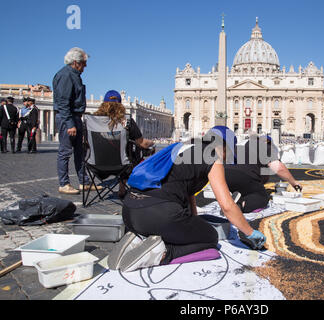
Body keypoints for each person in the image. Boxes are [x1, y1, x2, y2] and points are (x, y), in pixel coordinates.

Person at [108, 126, 267, 272]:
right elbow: (227, 205)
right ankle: (162, 253)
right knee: (210, 237)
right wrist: (250, 232)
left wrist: (193, 222)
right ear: (224, 147)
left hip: (129, 211)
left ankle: (136, 238)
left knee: (195, 229)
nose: (226, 159)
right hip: (157, 213)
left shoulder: (183, 147)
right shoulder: (212, 155)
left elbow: (188, 191)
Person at [93, 90, 154, 198]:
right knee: (131, 152)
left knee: (123, 152)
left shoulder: (92, 121)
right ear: (120, 105)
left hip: (96, 164)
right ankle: (124, 187)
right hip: (122, 165)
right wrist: (151, 143)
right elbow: (142, 143)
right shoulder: (127, 122)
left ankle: (122, 187)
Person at [224, 134, 302, 213]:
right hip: (243, 175)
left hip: (226, 174)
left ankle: (230, 201)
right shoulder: (265, 147)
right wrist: (294, 183)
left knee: (246, 191)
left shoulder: (245, 147)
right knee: (262, 197)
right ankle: (239, 205)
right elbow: (279, 168)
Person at [53, 47, 92, 194]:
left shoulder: (74, 75)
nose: (85, 66)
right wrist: (70, 124)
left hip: (75, 117)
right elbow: (63, 102)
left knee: (80, 151)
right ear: (76, 62)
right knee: (65, 152)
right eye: (83, 63)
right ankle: (64, 184)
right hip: (67, 118)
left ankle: (84, 182)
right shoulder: (66, 75)